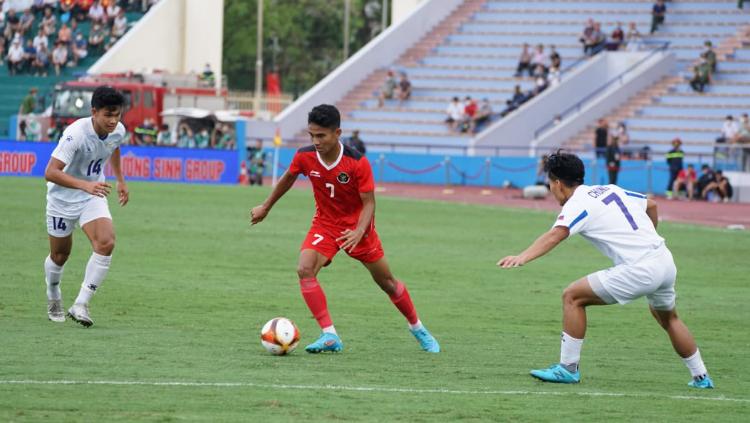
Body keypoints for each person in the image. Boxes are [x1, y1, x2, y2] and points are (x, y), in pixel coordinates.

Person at [497, 151, 714, 389]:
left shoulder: (578, 203)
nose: (550, 189)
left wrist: (522, 257)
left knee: (572, 296)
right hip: (664, 260)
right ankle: (701, 377)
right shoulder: (610, 189)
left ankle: (568, 369)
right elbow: (651, 205)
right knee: (670, 318)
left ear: (557, 183)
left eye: (550, 183)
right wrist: (646, 235)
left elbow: (556, 234)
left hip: (640, 268)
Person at [250, 104, 440, 354]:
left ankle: (417, 328)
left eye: (321, 135)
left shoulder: (357, 163)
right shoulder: (304, 156)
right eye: (312, 135)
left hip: (358, 228)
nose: (315, 141)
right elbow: (288, 178)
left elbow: (369, 203)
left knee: (388, 283)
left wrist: (359, 232)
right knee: (305, 269)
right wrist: (266, 206)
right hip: (326, 224)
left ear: (337, 133)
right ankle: (330, 335)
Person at [43, 86, 129, 327]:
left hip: (92, 194)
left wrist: (120, 180)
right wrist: (83, 185)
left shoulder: (118, 130)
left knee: (106, 242)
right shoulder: (76, 134)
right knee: (60, 255)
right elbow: (50, 172)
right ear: (94, 112)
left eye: (117, 115)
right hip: (62, 198)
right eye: (108, 115)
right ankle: (53, 294)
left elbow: (114, 147)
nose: (113, 121)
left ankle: (81, 303)